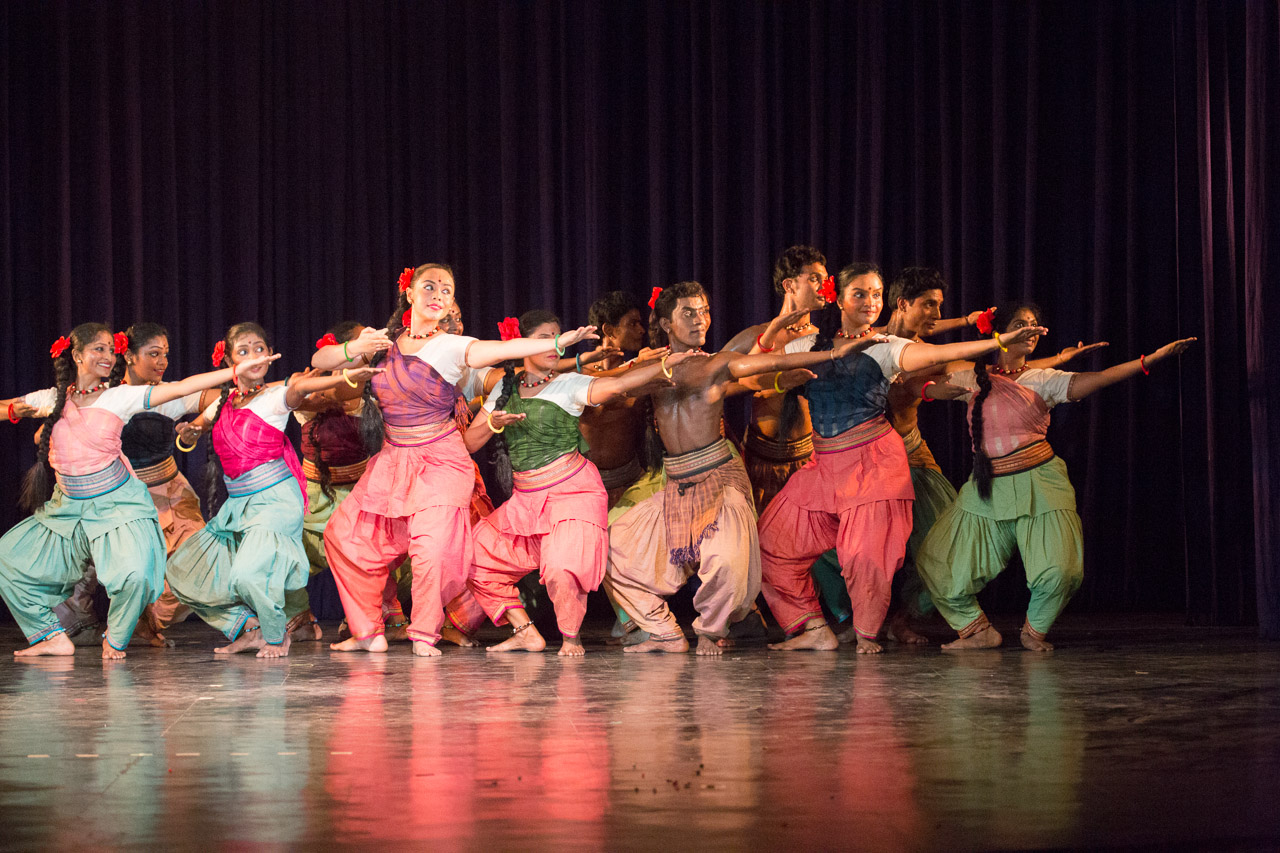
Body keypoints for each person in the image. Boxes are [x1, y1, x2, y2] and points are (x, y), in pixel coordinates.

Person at [757, 264, 1047, 653]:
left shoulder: (887, 347)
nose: (870, 302)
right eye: (860, 294)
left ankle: (870, 632)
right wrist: (780, 357)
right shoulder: (809, 345)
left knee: (867, 557)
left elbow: (944, 352)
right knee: (773, 542)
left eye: (877, 294)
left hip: (873, 463)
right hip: (824, 466)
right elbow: (759, 373)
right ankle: (814, 627)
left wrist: (999, 340)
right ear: (838, 299)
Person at [315, 263, 598, 656]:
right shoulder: (382, 343)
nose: (438, 295)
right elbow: (321, 360)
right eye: (429, 287)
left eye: (446, 290)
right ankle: (369, 631)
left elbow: (501, 350)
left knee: (433, 551)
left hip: (439, 461)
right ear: (409, 294)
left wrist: (556, 343)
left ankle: (424, 633)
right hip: (394, 461)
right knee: (345, 536)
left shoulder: (448, 346)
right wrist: (353, 348)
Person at [603, 280, 880, 655]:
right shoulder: (652, 368)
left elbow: (768, 362)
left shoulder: (717, 364)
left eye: (704, 311)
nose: (700, 319)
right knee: (611, 547)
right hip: (676, 480)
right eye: (688, 313)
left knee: (728, 564)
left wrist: (833, 354)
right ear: (666, 323)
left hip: (718, 475)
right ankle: (664, 632)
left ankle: (710, 629)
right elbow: (608, 389)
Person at [915, 302, 1195, 650]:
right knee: (939, 562)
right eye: (1021, 324)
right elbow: (922, 376)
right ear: (1000, 333)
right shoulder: (973, 376)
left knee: (1061, 569)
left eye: (1035, 324)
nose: (1031, 330)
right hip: (987, 487)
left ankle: (1034, 631)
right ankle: (976, 631)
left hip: (1040, 482)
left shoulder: (1043, 380)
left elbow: (1100, 378)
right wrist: (928, 390)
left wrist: (1148, 360)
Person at [0, 323, 274, 658]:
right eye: (98, 349)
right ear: (77, 355)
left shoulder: (121, 397)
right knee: (11, 561)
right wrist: (22, 414)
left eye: (109, 349)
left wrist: (236, 372)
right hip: (69, 509)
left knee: (149, 574)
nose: (107, 356)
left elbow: (186, 388)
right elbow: (11, 408)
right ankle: (53, 635)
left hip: (123, 504)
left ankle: (120, 637)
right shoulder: (55, 399)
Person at [463, 309, 698, 654]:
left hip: (572, 493)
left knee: (562, 568)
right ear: (522, 344)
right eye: (544, 338)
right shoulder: (504, 387)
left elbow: (617, 384)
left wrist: (663, 366)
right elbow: (470, 443)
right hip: (527, 501)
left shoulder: (569, 384)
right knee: (472, 556)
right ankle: (525, 632)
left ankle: (571, 637)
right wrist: (493, 423)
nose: (554, 344)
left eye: (557, 337)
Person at [166, 322, 377, 658]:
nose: (254, 356)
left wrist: (346, 376)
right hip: (239, 507)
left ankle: (277, 637)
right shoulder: (223, 403)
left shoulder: (275, 396)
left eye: (260, 349)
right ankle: (250, 630)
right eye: (244, 351)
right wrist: (189, 433)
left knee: (249, 575)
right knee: (183, 574)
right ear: (229, 361)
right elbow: (197, 428)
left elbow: (300, 387)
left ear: (269, 355)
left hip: (275, 501)